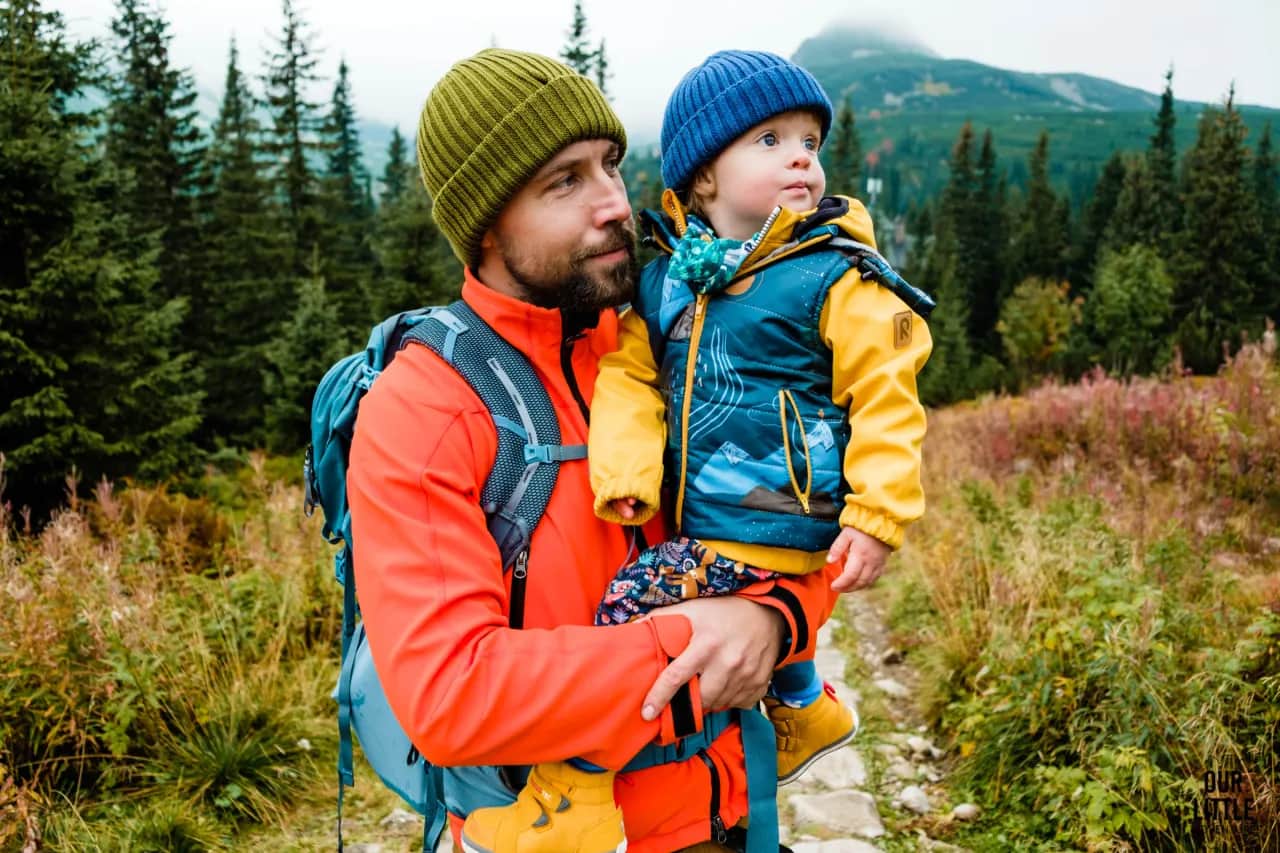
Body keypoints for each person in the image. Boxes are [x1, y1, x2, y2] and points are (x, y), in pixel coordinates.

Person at [347, 48, 842, 853]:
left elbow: (790, 523)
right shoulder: (426, 408)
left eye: (610, 164)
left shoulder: (666, 346)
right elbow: (451, 695)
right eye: (564, 182)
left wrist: (774, 613)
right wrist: (698, 643)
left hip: (733, 821)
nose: (615, 203)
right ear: (487, 225)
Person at [464, 49, 933, 853]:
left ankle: (573, 798)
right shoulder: (670, 282)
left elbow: (887, 390)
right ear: (702, 181)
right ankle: (802, 701)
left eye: (811, 143)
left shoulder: (832, 276)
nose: (800, 157)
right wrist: (626, 472)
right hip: (718, 519)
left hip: (774, 517)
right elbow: (630, 375)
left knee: (623, 617)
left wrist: (881, 510)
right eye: (770, 140)